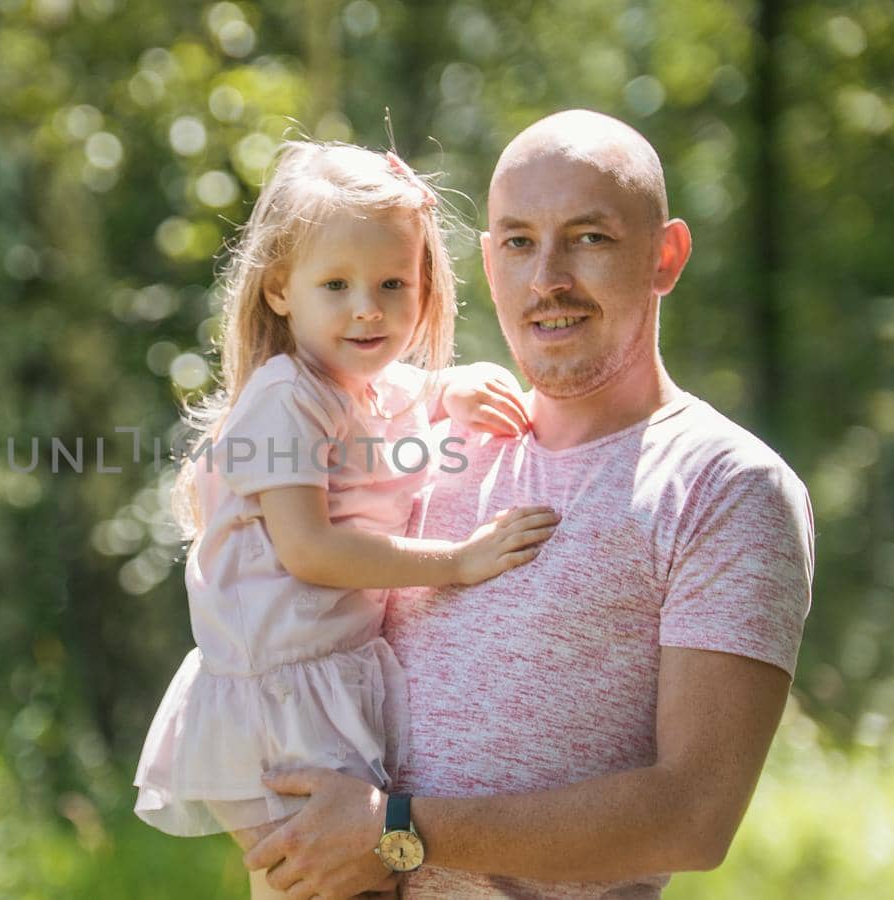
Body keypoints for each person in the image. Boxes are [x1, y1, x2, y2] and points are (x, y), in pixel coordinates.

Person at [241, 110, 817, 898]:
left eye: (589, 237)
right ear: (488, 260)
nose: (547, 279)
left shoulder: (726, 488)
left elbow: (694, 813)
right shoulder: (436, 441)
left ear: (666, 255)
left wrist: (396, 830)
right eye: (518, 242)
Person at [131, 141, 561, 899]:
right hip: (279, 699)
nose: (369, 307)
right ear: (279, 291)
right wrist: (456, 561)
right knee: (329, 884)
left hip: (322, 677)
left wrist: (448, 389)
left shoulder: (351, 382)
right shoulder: (282, 400)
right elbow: (311, 551)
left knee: (353, 881)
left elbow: (396, 390)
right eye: (336, 284)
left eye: (394, 283)